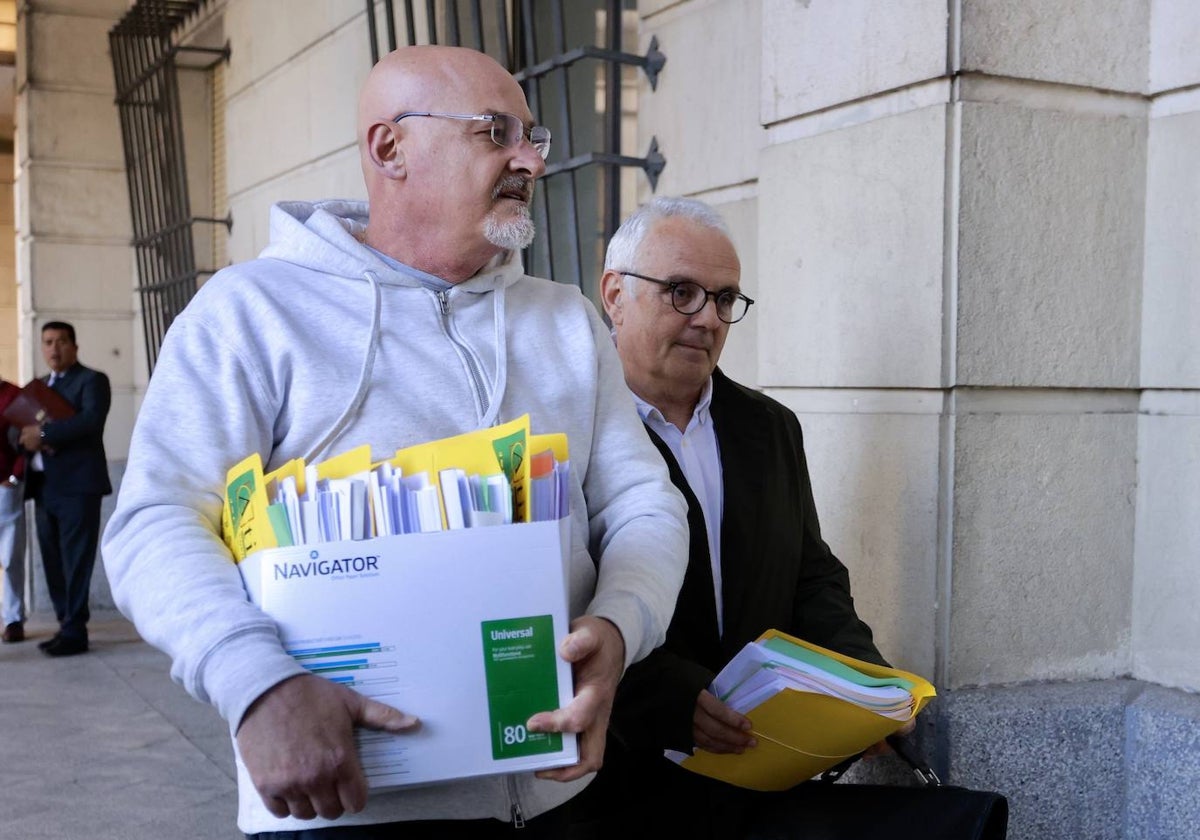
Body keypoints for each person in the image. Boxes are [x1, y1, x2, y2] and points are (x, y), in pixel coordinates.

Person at [101, 46, 688, 839]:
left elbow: (643, 504)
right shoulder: (249, 312)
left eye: (532, 136)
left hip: (559, 797)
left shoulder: (567, 321)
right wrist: (255, 682)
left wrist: (620, 625)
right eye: (495, 132)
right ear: (390, 148)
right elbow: (155, 521)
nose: (529, 160)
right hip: (345, 804)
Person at [575, 196, 911, 839]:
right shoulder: (566, 430)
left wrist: (867, 684)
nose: (707, 319)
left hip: (760, 786)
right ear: (614, 293)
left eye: (724, 299)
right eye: (681, 292)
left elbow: (810, 574)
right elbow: (562, 596)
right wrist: (672, 699)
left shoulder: (768, 426)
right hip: (618, 783)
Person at [16, 322, 112, 657]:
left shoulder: (92, 381)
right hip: (43, 488)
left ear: (74, 345)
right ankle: (64, 624)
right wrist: (23, 438)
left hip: (78, 486)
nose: (54, 349)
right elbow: (18, 429)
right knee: (53, 560)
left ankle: (76, 631)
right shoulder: (37, 388)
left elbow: (90, 421)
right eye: (47, 342)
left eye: (60, 341)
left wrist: (42, 435)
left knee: (76, 560)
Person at [1, 381, 28, 643]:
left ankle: (13, 619)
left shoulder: (13, 395)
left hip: (4, 489)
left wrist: (15, 476)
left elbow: (27, 436)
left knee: (10, 558)